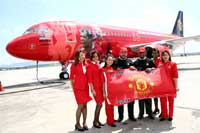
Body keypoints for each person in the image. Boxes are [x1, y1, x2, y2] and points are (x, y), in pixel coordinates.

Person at [70, 49, 92, 131]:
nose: (82, 57)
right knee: (80, 106)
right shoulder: (74, 65)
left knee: (85, 106)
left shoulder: (86, 64)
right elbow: (72, 79)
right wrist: (73, 90)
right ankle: (77, 124)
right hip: (78, 89)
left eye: (83, 55)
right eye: (80, 56)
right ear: (77, 57)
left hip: (86, 88)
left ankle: (84, 123)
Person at [113, 47, 136, 122]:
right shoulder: (115, 61)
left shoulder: (130, 61)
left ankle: (131, 116)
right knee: (120, 102)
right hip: (119, 86)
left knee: (131, 101)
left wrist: (134, 68)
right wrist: (115, 71)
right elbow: (109, 71)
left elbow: (135, 72)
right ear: (119, 53)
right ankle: (120, 117)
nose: (124, 54)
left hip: (129, 85)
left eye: (125, 52)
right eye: (122, 52)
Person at [132, 47, 155, 120]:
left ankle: (150, 113)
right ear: (138, 53)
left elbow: (155, 69)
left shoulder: (150, 61)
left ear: (145, 53)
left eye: (143, 52)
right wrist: (132, 68)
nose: (141, 54)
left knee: (148, 99)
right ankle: (141, 113)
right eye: (140, 52)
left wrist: (151, 69)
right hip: (139, 84)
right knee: (140, 100)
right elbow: (131, 71)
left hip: (148, 83)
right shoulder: (136, 62)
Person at [159, 50, 179, 122]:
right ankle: (164, 115)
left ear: (169, 56)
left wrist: (176, 87)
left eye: (166, 55)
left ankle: (170, 115)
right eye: (164, 55)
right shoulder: (160, 65)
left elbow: (175, 76)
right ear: (162, 56)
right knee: (162, 101)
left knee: (171, 101)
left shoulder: (173, 64)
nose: (165, 56)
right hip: (162, 86)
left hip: (171, 86)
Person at [87, 51, 104, 128]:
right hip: (95, 88)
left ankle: (97, 120)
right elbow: (89, 79)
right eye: (94, 56)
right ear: (91, 58)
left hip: (100, 87)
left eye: (97, 56)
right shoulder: (90, 66)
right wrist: (92, 89)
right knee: (99, 104)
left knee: (100, 105)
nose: (96, 58)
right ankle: (94, 121)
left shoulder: (98, 64)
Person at [101, 55, 117, 127]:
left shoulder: (113, 68)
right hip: (107, 91)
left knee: (112, 105)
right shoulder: (103, 70)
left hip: (113, 90)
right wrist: (104, 92)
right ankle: (110, 121)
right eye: (109, 60)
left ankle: (112, 118)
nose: (110, 61)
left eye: (111, 60)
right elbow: (103, 82)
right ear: (106, 61)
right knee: (108, 106)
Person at [152, 48, 162, 115]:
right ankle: (156, 108)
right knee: (155, 96)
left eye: (156, 53)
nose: (155, 54)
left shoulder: (160, 60)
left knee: (161, 97)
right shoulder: (151, 60)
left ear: (158, 54)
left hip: (159, 80)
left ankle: (162, 110)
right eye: (153, 53)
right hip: (153, 80)